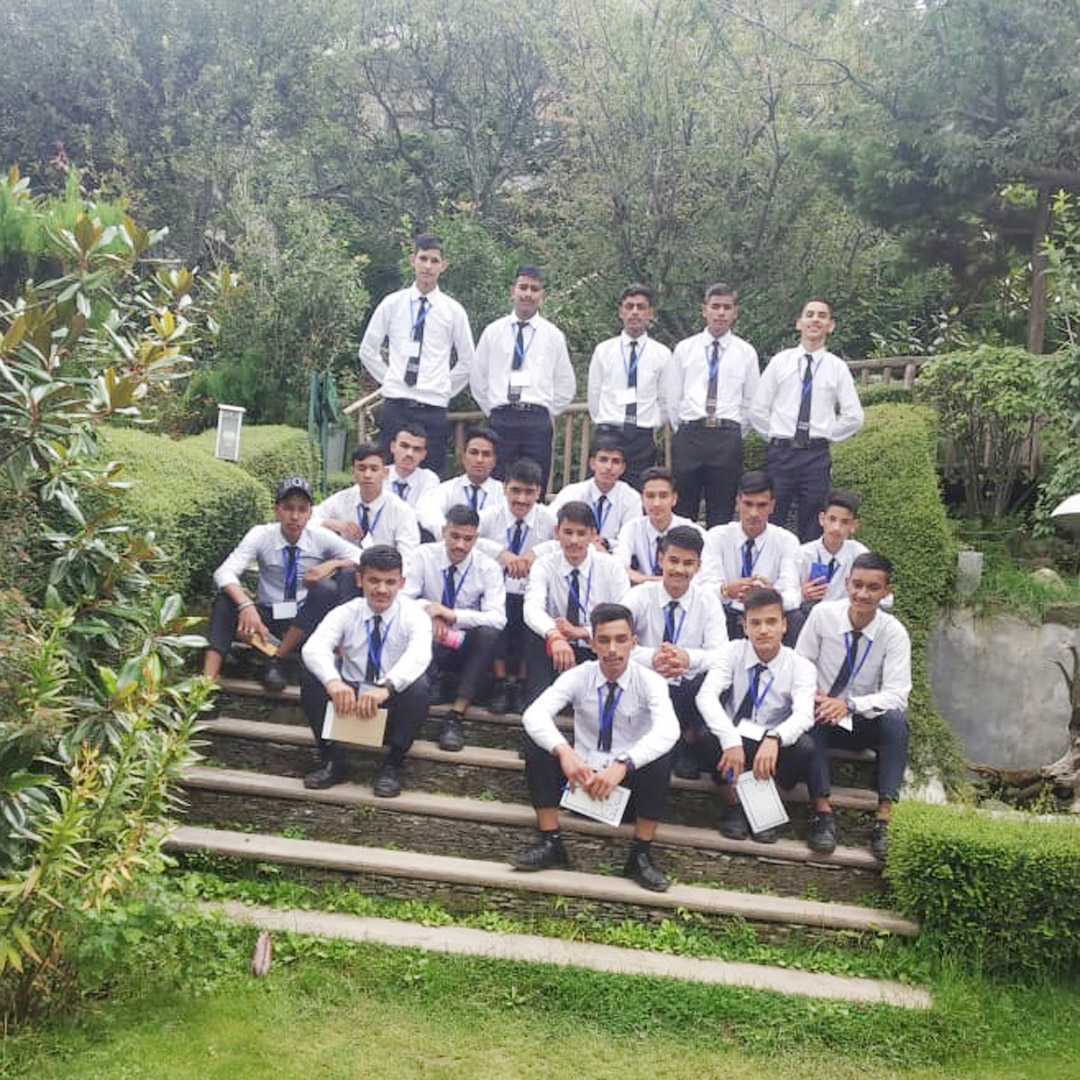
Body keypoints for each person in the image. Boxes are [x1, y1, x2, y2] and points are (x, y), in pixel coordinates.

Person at [509, 603, 679, 891]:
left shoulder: (650, 681)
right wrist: (565, 752)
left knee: (661, 756)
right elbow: (534, 714)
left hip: (625, 786)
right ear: (593, 644)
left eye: (621, 640)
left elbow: (668, 729)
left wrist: (624, 763)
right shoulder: (580, 675)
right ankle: (550, 841)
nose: (612, 649)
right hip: (580, 781)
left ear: (633, 643)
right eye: (604, 640)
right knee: (537, 744)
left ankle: (640, 854)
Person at [695, 588, 831, 849]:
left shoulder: (801, 666)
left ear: (784, 625)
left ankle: (763, 807)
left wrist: (775, 737)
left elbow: (804, 714)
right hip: (736, 738)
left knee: (805, 747)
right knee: (706, 736)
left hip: (771, 743)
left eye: (771, 622)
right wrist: (730, 738)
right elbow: (706, 696)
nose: (764, 630)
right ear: (745, 626)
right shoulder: (732, 652)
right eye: (755, 623)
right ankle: (734, 805)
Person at [795, 552, 910, 860]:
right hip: (822, 710)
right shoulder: (823, 615)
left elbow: (898, 694)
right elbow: (800, 662)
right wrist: (814, 693)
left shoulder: (893, 632)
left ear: (886, 592)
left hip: (859, 716)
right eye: (857, 584)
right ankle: (822, 814)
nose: (863, 594)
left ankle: (885, 818)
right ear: (846, 583)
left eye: (873, 587)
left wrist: (849, 704)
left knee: (896, 723)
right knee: (808, 719)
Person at [203, 477, 360, 692]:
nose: (295, 516)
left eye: (302, 509)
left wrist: (333, 564)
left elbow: (362, 557)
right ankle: (205, 684)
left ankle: (277, 657)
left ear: (310, 513)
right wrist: (246, 605)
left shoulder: (320, 537)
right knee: (225, 599)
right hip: (271, 613)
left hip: (305, 618)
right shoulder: (261, 534)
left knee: (326, 589)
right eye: (288, 508)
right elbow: (224, 572)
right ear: (277, 510)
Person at [300, 545, 432, 793]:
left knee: (419, 687)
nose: (382, 589)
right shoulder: (345, 612)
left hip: (389, 702)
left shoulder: (415, 616)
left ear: (402, 583)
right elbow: (314, 647)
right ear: (359, 580)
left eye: (390, 582)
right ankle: (331, 759)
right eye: (374, 580)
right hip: (347, 701)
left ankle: (393, 765)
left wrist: (387, 687)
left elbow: (419, 655)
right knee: (312, 674)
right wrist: (333, 682)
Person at [359, 233, 475, 477]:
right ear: (413, 260)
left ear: (443, 266)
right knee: (388, 473)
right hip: (397, 403)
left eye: (434, 260)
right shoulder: (392, 303)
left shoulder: (453, 311)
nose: (428, 266)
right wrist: (391, 379)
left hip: (433, 407)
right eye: (423, 259)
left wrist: (443, 388)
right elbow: (368, 350)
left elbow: (468, 361)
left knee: (431, 476)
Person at [750, 297, 864, 541]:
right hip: (781, 455)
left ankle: (807, 567)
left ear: (830, 325)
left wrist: (825, 436)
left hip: (816, 458)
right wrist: (776, 436)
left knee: (813, 523)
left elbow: (854, 415)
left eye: (822, 316)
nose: (815, 320)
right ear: (799, 323)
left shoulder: (837, 367)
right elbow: (757, 408)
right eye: (809, 314)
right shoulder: (780, 362)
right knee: (772, 521)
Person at [621, 525, 727, 779]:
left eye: (688, 563)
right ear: (661, 559)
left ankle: (685, 743)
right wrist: (653, 657)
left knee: (713, 679)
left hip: (686, 687)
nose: (679, 569)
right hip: (646, 684)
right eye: (674, 560)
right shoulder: (638, 596)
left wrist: (687, 658)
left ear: (698, 566)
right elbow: (615, 642)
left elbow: (721, 654)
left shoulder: (708, 602)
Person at [406, 504, 506, 752]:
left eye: (468, 539)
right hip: (428, 638)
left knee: (489, 634)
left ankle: (456, 715)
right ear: (444, 531)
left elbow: (498, 618)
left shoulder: (488, 567)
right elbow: (402, 598)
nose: (460, 545)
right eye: (455, 536)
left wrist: (453, 615)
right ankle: (422, 696)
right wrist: (430, 611)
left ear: (477, 537)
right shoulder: (422, 556)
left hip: (463, 643)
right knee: (412, 622)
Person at [470, 264, 575, 493]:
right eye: (523, 287)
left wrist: (545, 411)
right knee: (496, 487)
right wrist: (495, 409)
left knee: (534, 486)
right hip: (501, 419)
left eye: (534, 289)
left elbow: (566, 385)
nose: (528, 294)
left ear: (542, 295)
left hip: (536, 423)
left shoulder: (553, 336)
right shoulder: (493, 331)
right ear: (513, 291)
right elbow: (478, 378)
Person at [522, 501, 632, 707]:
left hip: (594, 644)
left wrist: (583, 632)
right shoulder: (545, 564)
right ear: (557, 532)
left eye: (581, 533)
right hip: (557, 644)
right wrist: (554, 635)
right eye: (568, 532)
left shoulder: (612, 567)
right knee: (535, 632)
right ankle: (536, 701)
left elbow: (624, 615)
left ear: (593, 535)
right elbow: (532, 607)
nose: (574, 541)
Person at [667, 283, 760, 527]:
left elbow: (751, 401)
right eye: (715, 306)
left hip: (726, 437)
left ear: (735, 312)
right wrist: (685, 428)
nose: (720, 313)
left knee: (721, 510)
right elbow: (673, 397)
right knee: (683, 510)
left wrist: (733, 431)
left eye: (726, 308)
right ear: (704, 310)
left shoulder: (746, 352)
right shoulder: (685, 349)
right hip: (690, 434)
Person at [476, 457, 557, 715]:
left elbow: (563, 542)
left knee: (531, 617)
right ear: (504, 488)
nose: (521, 499)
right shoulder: (489, 516)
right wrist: (501, 553)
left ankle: (521, 683)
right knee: (496, 615)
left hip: (532, 591)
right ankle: (500, 682)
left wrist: (536, 552)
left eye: (529, 492)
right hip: (496, 590)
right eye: (516, 490)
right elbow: (468, 539)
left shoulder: (548, 518)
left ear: (539, 492)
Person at [698, 471, 800, 642]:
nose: (754, 513)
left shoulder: (787, 541)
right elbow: (703, 590)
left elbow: (793, 596)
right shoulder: (716, 537)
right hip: (725, 612)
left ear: (772, 506)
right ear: (738, 502)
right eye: (748, 504)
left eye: (761, 505)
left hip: (766, 614)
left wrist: (769, 595)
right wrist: (726, 590)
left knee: (795, 618)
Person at [586, 284, 671, 490]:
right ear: (621, 311)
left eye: (641, 307)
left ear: (650, 313)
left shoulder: (662, 354)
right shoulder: (604, 350)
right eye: (629, 306)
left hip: (641, 438)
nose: (634, 312)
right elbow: (594, 395)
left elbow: (665, 399)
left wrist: (647, 424)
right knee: (599, 492)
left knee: (638, 495)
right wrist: (607, 422)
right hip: (608, 434)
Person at [311, 443, 421, 572]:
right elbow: (306, 520)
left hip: (384, 572)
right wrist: (331, 523)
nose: (367, 475)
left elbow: (408, 558)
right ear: (353, 472)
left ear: (385, 473)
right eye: (361, 469)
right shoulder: (342, 500)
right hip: (348, 569)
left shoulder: (401, 510)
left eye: (374, 469)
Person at [612, 466, 702, 586]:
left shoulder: (692, 530)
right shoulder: (632, 528)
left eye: (663, 496)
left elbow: (702, 575)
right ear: (642, 499)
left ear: (674, 499)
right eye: (650, 496)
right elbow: (618, 568)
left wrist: (641, 578)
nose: (656, 503)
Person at [550, 434, 640, 552]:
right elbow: (552, 526)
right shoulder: (572, 492)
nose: (608, 467)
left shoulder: (632, 498)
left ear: (623, 468)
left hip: (612, 557)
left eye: (615, 461)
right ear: (592, 463)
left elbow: (631, 541)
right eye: (603, 460)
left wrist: (605, 543)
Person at [416, 426, 505, 536]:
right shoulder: (447, 489)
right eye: (473, 453)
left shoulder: (503, 493)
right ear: (463, 457)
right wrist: (447, 532)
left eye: (486, 454)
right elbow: (427, 510)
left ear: (494, 461)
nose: (479, 460)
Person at [384, 423, 440, 510]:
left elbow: (425, 512)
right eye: (404, 446)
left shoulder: (428, 479)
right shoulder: (379, 475)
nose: (409, 454)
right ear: (393, 447)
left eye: (416, 449)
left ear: (423, 455)